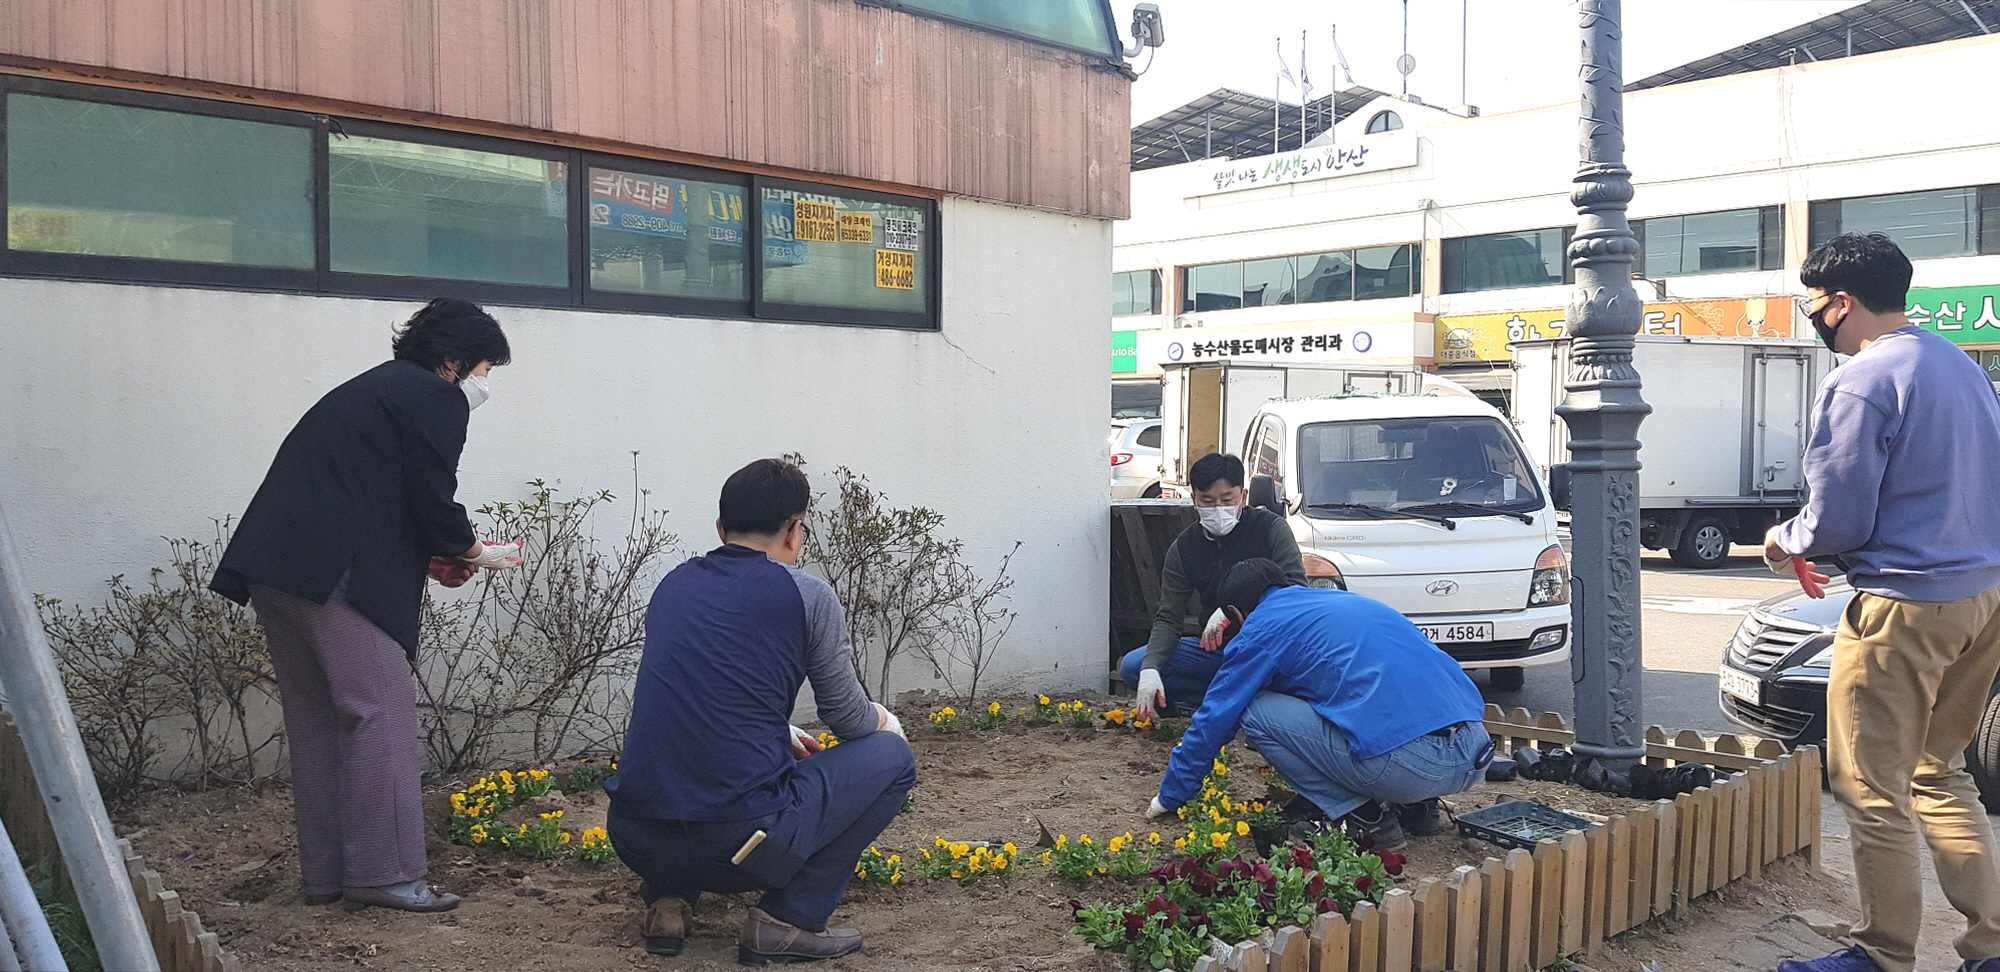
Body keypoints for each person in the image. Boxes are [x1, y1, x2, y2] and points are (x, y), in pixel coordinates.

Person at [211, 298, 520, 913]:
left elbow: (373, 495)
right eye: (485, 369)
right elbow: (430, 495)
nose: (484, 383)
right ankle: (388, 873)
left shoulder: (372, 389)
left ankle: (328, 877)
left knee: (320, 723)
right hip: (338, 577)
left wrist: (436, 553)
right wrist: (473, 550)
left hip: (277, 569)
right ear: (454, 362)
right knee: (379, 713)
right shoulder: (433, 396)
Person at [1764, 233, 2000, 972]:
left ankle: (1883, 954)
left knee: (1869, 786)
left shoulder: (1861, 380)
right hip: (1984, 596)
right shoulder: (1960, 366)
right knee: (1940, 771)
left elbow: (1837, 520)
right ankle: (1990, 947)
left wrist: (1784, 540)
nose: (1813, 319)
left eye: (1813, 305)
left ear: (1842, 302)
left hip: (1904, 603)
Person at [605, 458, 916, 966]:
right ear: (795, 532)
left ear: (721, 528)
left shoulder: (673, 585)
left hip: (634, 837)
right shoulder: (807, 595)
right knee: (893, 759)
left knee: (681, 766)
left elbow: (694, 693)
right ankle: (790, 919)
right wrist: (886, 722)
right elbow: (848, 719)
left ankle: (668, 902)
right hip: (740, 846)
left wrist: (777, 729)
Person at [1143, 558, 1490, 851]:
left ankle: (1364, 819)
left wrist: (1171, 795)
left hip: (1412, 768)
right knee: (1369, 702)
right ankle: (1419, 810)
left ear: (1235, 613)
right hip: (1475, 751)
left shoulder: (1261, 628)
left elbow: (1216, 717)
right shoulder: (1343, 602)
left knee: (1253, 710)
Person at [1121, 453, 1305, 720]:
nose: (1218, 508)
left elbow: (1296, 592)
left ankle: (1236, 701)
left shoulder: (1271, 529)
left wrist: (1235, 610)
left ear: (1243, 496)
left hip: (1267, 647)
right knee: (1133, 667)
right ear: (1194, 501)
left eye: (1227, 500)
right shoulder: (1184, 548)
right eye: (1207, 501)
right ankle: (1223, 702)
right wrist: (1150, 669)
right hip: (1216, 651)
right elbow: (1168, 617)